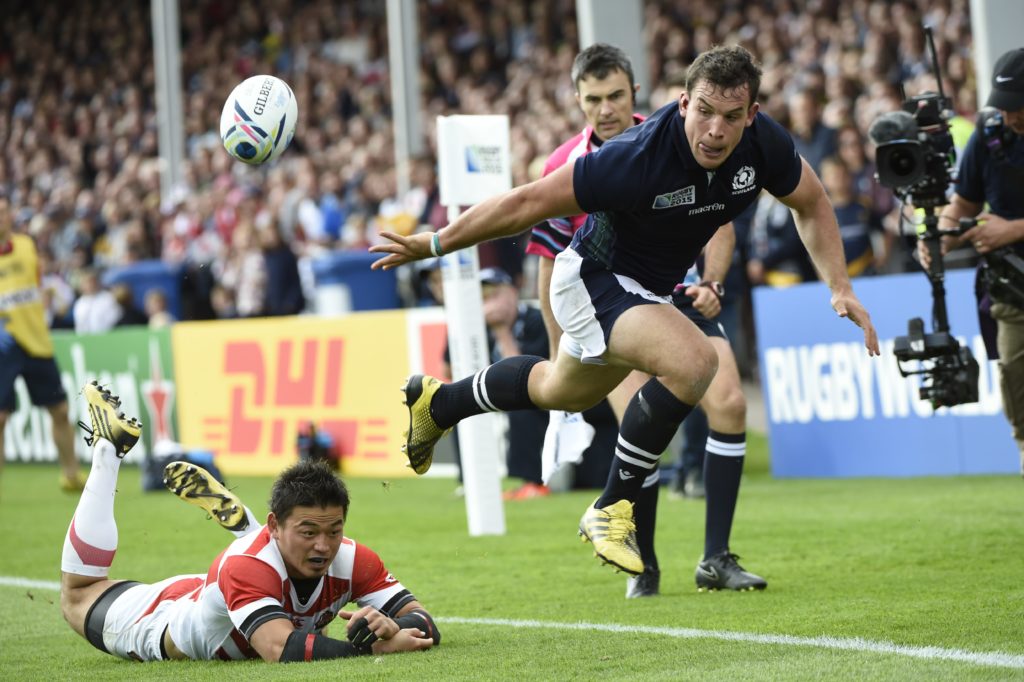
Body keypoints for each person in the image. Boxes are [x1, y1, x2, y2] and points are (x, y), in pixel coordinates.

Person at [370, 45, 879, 579]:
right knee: (695, 362)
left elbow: (813, 201)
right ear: (683, 103)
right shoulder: (638, 156)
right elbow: (526, 203)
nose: (715, 130)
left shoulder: (762, 145)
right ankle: (613, 506)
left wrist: (839, 286)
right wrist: (436, 243)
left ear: (752, 115)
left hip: (649, 291)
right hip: (593, 277)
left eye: (731, 117)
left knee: (560, 389)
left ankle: (441, 403)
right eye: (704, 110)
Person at [525, 43, 763, 597]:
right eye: (593, 100)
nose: (606, 109)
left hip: (679, 296)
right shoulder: (565, 165)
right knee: (642, 420)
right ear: (578, 103)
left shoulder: (683, 133)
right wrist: (562, 346)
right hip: (612, 303)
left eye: (615, 96)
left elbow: (721, 222)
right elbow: (546, 263)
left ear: (635, 91)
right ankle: (644, 565)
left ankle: (717, 559)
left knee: (729, 401)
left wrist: (713, 284)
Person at [60, 382, 437, 662]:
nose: (324, 545)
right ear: (278, 525)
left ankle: (249, 533)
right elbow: (281, 648)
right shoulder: (248, 566)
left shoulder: (354, 558)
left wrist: (394, 627)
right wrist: (377, 648)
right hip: (159, 618)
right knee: (79, 593)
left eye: (334, 531)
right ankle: (108, 452)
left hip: (227, 589)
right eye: (309, 532)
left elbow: (425, 622)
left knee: (253, 570)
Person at [918, 48, 1024, 475]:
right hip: (1012, 282)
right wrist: (940, 235)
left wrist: (1011, 229)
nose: (1012, 116)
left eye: (1019, 106)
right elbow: (963, 201)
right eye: (1006, 107)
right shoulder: (991, 132)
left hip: (1008, 246)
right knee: (1014, 373)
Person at [0, 194, 85, 492]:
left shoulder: (26, 245)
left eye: (4, 211)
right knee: (0, 418)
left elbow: (35, 285)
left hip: (35, 340)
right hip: (4, 344)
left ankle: (71, 475)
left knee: (60, 410)